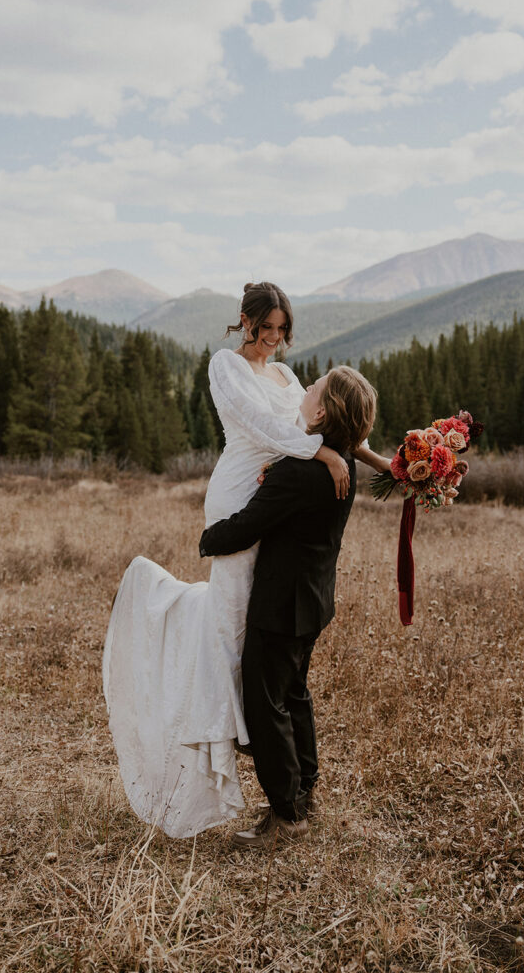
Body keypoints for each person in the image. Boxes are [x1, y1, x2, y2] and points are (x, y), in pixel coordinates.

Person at [102, 282, 366, 838]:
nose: (271, 340)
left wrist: (372, 457)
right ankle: (220, 760)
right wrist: (324, 453)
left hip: (277, 497)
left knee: (266, 657)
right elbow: (263, 426)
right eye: (263, 328)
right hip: (243, 495)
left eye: (280, 331)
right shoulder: (225, 366)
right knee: (233, 639)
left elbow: (328, 419)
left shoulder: (290, 379)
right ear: (243, 322)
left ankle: (282, 786)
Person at [199, 367, 377, 848]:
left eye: (314, 387)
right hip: (313, 601)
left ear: (320, 411)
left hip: (280, 605)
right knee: (293, 693)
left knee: (265, 703)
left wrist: (208, 538)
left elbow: (247, 525)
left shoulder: (300, 472)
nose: (306, 388)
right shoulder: (339, 461)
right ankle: (304, 793)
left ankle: (286, 816)